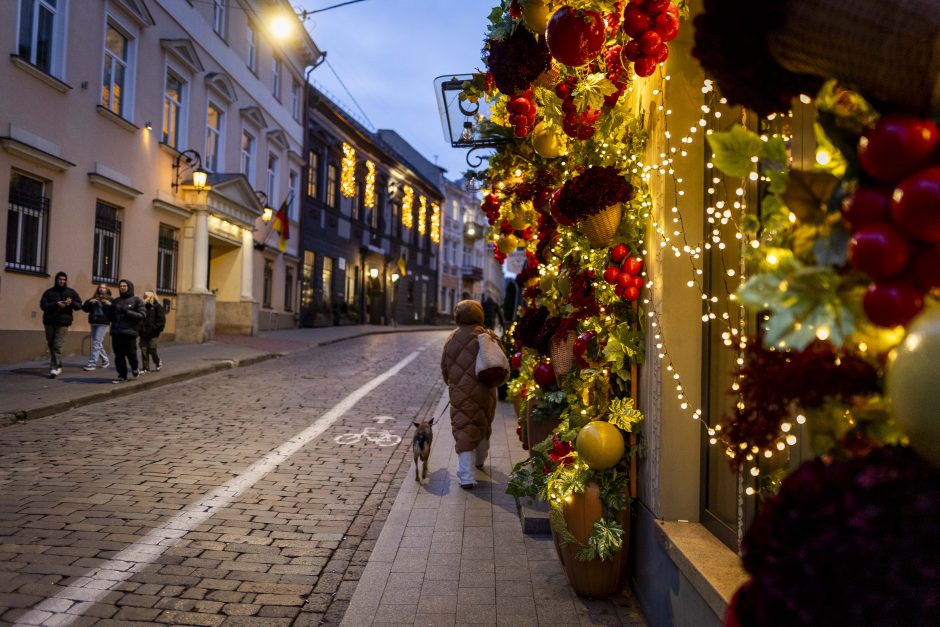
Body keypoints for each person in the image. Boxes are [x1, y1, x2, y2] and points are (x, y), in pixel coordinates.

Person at [440, 300, 498, 489]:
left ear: (457, 317)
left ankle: (466, 477)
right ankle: (480, 460)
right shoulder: (487, 336)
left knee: (464, 429)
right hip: (484, 391)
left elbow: (445, 367)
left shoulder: (451, 339)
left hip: (459, 393)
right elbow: (498, 360)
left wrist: (451, 381)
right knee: (482, 424)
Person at [38, 271, 82, 378]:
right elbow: (43, 306)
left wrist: (71, 303)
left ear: (66, 281)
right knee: (51, 344)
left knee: (57, 345)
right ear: (56, 280)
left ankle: (54, 368)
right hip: (49, 321)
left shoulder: (71, 292)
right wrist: (55, 304)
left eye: (64, 280)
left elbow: (79, 305)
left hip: (63, 322)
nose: (62, 281)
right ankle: (59, 365)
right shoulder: (49, 292)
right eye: (60, 279)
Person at [108, 279, 144, 383]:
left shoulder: (136, 300)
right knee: (118, 355)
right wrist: (110, 311)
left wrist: (127, 312)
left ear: (129, 287)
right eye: (120, 286)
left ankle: (134, 368)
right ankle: (122, 376)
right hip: (116, 332)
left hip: (130, 332)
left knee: (131, 353)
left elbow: (142, 315)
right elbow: (110, 316)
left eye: (124, 286)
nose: (122, 288)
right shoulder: (116, 300)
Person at [81, 284, 112, 371]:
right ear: (98, 289)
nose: (102, 289)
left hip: (103, 323)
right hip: (94, 322)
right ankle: (105, 360)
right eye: (100, 287)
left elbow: (115, 309)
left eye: (104, 288)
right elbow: (84, 308)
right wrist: (90, 302)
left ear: (106, 289)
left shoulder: (109, 299)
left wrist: (110, 304)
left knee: (96, 343)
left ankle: (92, 363)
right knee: (97, 343)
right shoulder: (94, 298)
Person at [138, 291, 166, 373]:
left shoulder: (157, 306)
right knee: (144, 350)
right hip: (143, 332)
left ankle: (157, 362)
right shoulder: (142, 307)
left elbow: (161, 320)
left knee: (152, 349)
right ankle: (146, 368)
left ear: (151, 297)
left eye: (146, 296)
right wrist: (139, 329)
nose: (144, 297)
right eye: (144, 296)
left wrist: (155, 328)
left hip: (153, 333)